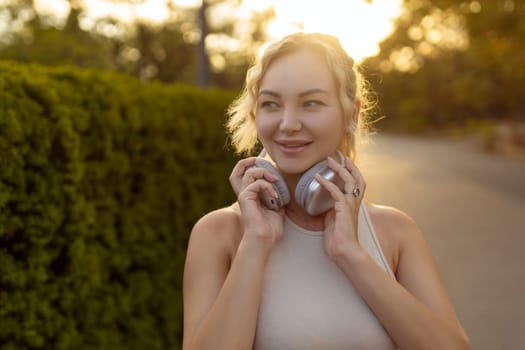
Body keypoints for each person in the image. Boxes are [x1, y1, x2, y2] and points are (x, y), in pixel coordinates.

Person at [182, 32, 471, 350]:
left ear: (351, 114)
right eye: (271, 104)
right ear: (256, 115)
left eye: (311, 103)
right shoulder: (219, 233)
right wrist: (255, 245)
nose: (288, 123)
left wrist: (351, 255)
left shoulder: (395, 231)